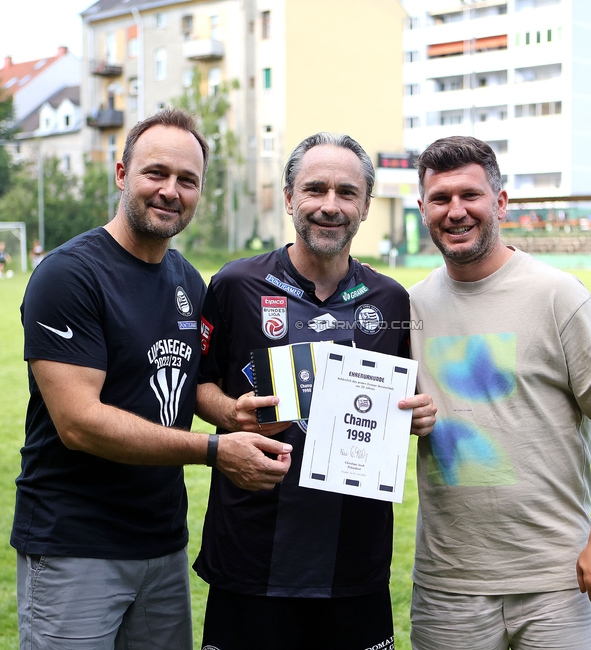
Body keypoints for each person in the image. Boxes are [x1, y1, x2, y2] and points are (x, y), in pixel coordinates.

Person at [12, 109, 292, 650]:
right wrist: (215, 449)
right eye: (155, 173)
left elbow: (180, 384)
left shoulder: (186, 278)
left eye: (187, 180)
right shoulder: (70, 274)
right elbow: (79, 423)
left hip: (162, 546)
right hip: (76, 544)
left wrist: (228, 412)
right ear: (121, 174)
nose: (170, 191)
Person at [194, 132, 437, 650]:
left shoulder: (390, 299)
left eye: (347, 192)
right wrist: (230, 413)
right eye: (315, 189)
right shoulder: (236, 286)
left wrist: (415, 416)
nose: (331, 206)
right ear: (289, 198)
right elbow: (198, 385)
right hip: (251, 554)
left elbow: (405, 400)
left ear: (367, 205)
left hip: (353, 562)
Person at [408, 136, 591, 650]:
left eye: (470, 195)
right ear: (422, 208)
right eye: (440, 198)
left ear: (499, 202)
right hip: (448, 585)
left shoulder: (557, 295)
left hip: (555, 581)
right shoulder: (411, 307)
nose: (456, 211)